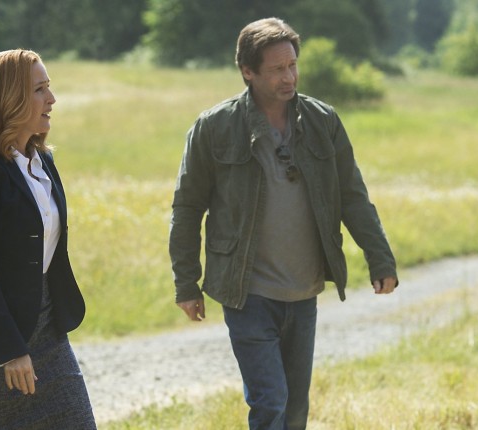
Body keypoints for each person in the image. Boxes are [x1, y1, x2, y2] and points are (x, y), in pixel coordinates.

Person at [168, 17, 398, 430]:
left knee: (294, 410)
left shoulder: (323, 121)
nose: (289, 76)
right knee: (270, 402)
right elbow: (187, 208)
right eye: (276, 69)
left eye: (292, 65)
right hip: (247, 291)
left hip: (304, 290)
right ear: (248, 71)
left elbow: (352, 195)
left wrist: (380, 259)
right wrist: (187, 283)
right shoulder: (214, 127)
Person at [0, 49, 96, 429]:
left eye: (49, 87)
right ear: (9, 99)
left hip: (49, 335)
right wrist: (10, 349)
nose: (52, 99)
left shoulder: (43, 161)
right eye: (40, 89)